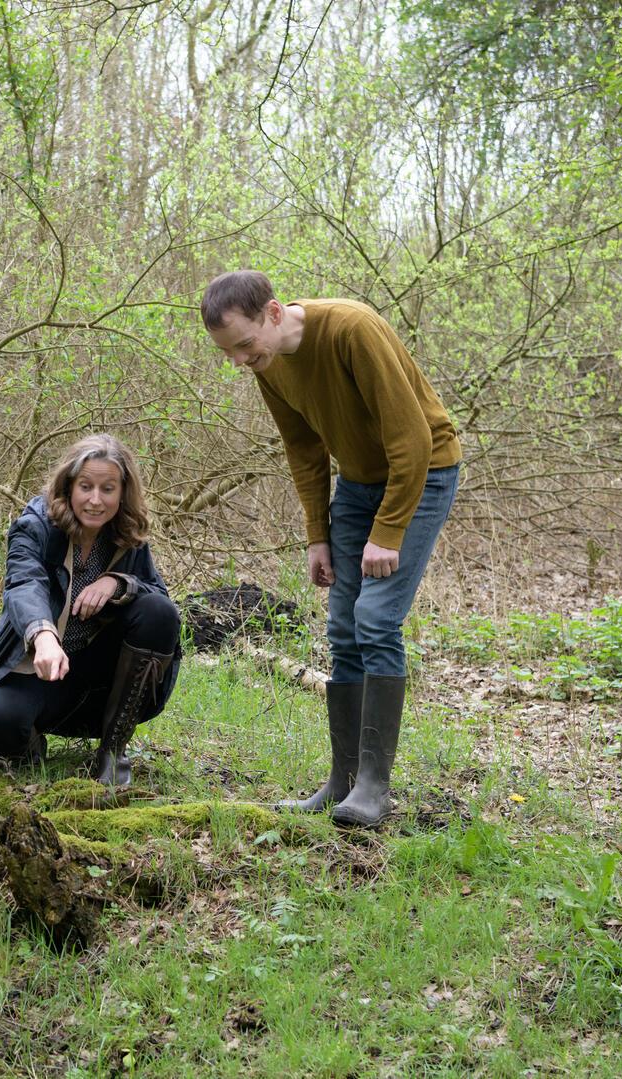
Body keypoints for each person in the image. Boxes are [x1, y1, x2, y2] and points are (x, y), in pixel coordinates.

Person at [201, 270, 460, 827]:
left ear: (273, 313)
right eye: (228, 353)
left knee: (374, 617)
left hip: (423, 473)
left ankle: (373, 787)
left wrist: (388, 532)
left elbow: (412, 440)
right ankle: (342, 781)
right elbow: (303, 449)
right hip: (357, 485)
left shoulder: (352, 330)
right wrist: (318, 533)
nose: (239, 361)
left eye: (243, 346)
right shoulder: (266, 363)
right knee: (342, 630)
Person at [0, 434, 182, 787]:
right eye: (86, 486)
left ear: (122, 493)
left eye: (107, 489)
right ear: (68, 487)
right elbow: (23, 584)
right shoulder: (35, 527)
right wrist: (43, 635)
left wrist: (117, 584)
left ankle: (112, 752)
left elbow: (161, 601)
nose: (95, 500)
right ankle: (29, 741)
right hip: (40, 671)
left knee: (158, 611)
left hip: (100, 680)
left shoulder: (129, 536)